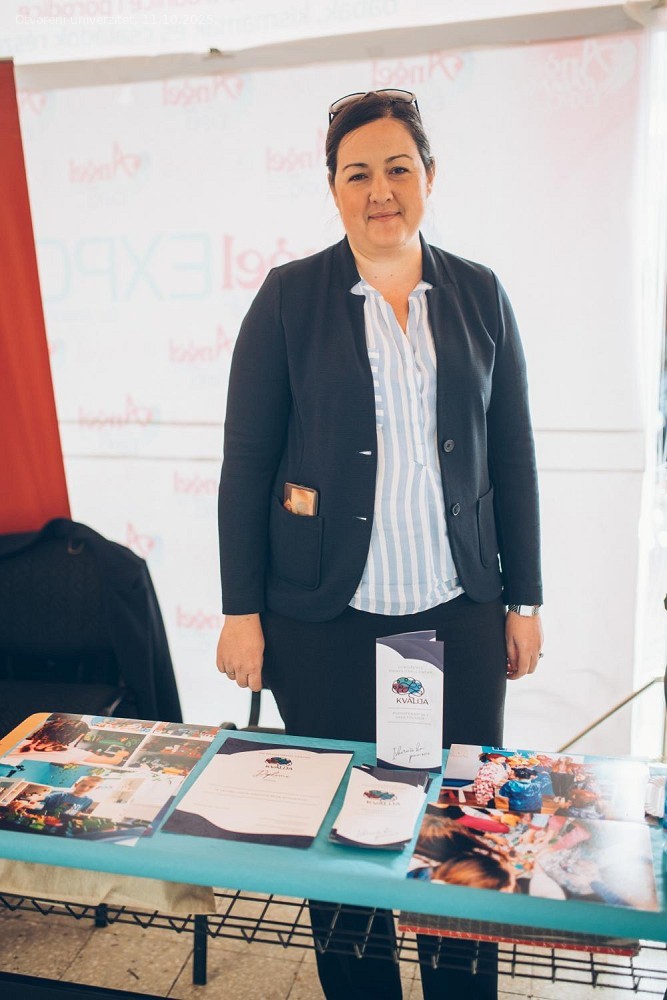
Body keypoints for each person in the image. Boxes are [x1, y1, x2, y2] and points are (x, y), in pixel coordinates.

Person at [216, 89, 544, 1000]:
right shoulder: (289, 298)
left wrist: (523, 599)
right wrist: (241, 612)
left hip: (459, 614)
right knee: (342, 845)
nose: (380, 191)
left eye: (398, 168)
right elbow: (246, 464)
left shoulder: (479, 294)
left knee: (460, 839)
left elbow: (512, 455)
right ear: (332, 189)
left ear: (429, 176)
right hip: (323, 623)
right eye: (357, 174)